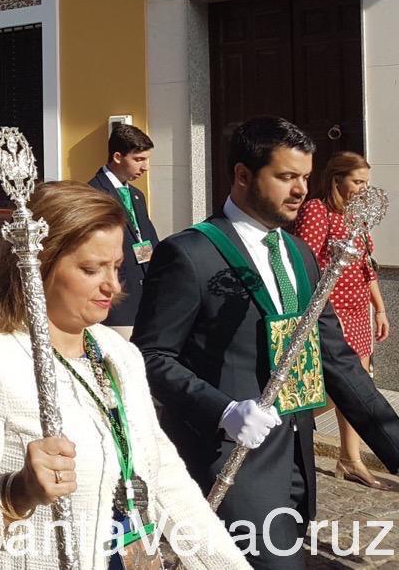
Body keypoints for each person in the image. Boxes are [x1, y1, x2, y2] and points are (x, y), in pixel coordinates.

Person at [0, 181, 250, 570]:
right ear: (40, 266)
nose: (112, 285)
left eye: (117, 267)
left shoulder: (118, 352)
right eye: (91, 269)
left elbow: (167, 480)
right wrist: (15, 492)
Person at [134, 117, 399, 569]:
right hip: (231, 462)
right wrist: (222, 410)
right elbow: (152, 357)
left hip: (296, 455)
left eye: (304, 178)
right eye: (285, 177)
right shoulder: (190, 253)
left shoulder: (299, 255)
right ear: (242, 175)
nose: (300, 190)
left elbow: (337, 361)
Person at [295, 151, 391, 489]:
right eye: (358, 181)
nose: (364, 189)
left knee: (358, 384)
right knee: (342, 387)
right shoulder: (316, 210)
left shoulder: (357, 215)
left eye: (367, 182)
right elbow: (303, 260)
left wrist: (379, 308)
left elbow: (368, 266)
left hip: (358, 310)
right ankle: (288, 431)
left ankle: (350, 458)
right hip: (331, 313)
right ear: (337, 180)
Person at [88, 122, 159, 339]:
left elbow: (148, 240)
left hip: (144, 299)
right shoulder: (94, 193)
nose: (145, 167)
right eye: (138, 160)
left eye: (146, 159)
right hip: (117, 301)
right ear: (117, 157)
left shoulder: (137, 195)